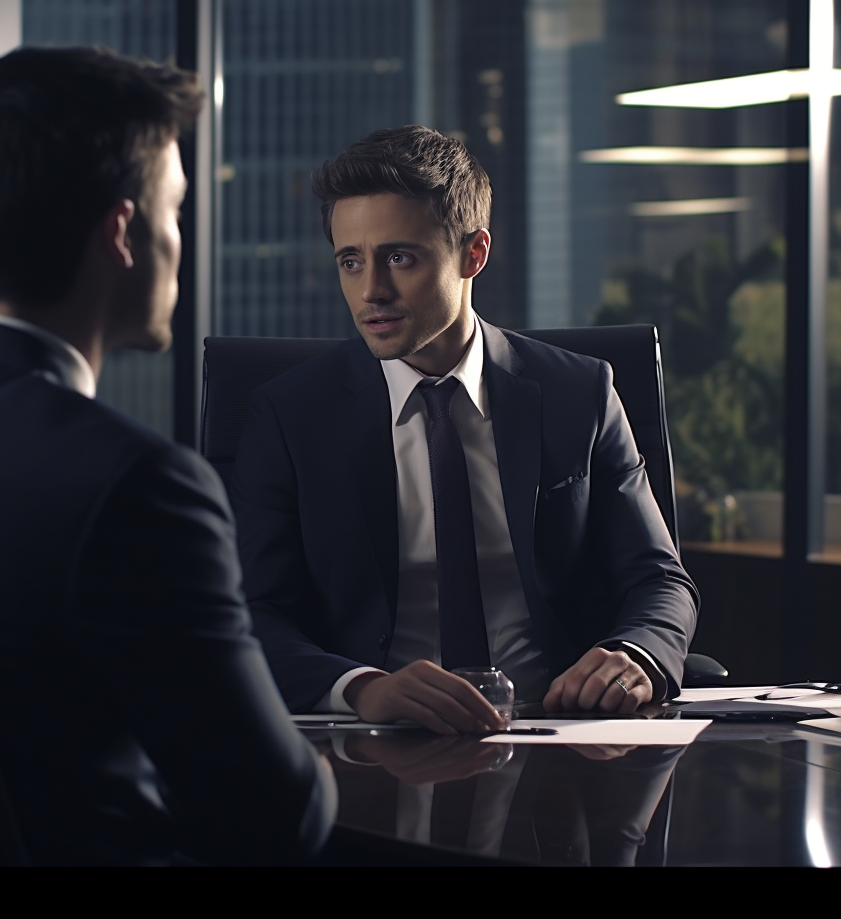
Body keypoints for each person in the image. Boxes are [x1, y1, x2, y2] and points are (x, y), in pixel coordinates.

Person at [0, 46, 336, 866]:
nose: (180, 238)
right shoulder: (138, 486)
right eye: (175, 211)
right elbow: (278, 822)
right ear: (123, 232)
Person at [230, 125, 699, 736]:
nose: (371, 290)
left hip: (558, 737)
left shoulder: (577, 393)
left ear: (472, 254)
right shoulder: (291, 415)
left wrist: (637, 655)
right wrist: (360, 688)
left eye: (400, 257)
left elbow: (658, 578)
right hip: (373, 743)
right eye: (351, 261)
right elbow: (251, 612)